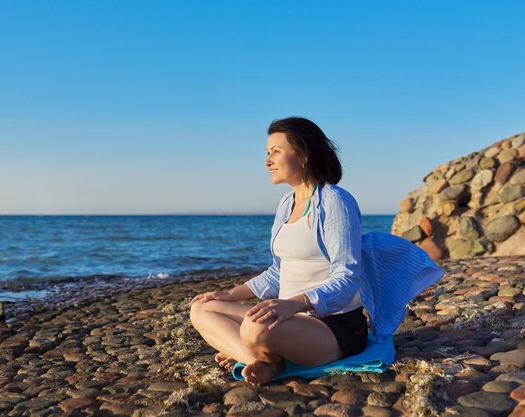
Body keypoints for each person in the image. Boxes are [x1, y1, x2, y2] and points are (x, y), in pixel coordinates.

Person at [189, 117, 444, 386]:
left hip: (333, 325)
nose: (267, 161)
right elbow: (280, 271)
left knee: (255, 328)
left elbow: (348, 277)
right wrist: (231, 294)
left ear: (304, 154)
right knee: (202, 309)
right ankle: (261, 361)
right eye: (267, 153)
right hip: (288, 318)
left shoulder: (335, 201)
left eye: (276, 151)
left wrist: (295, 304)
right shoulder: (287, 203)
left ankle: (255, 355)